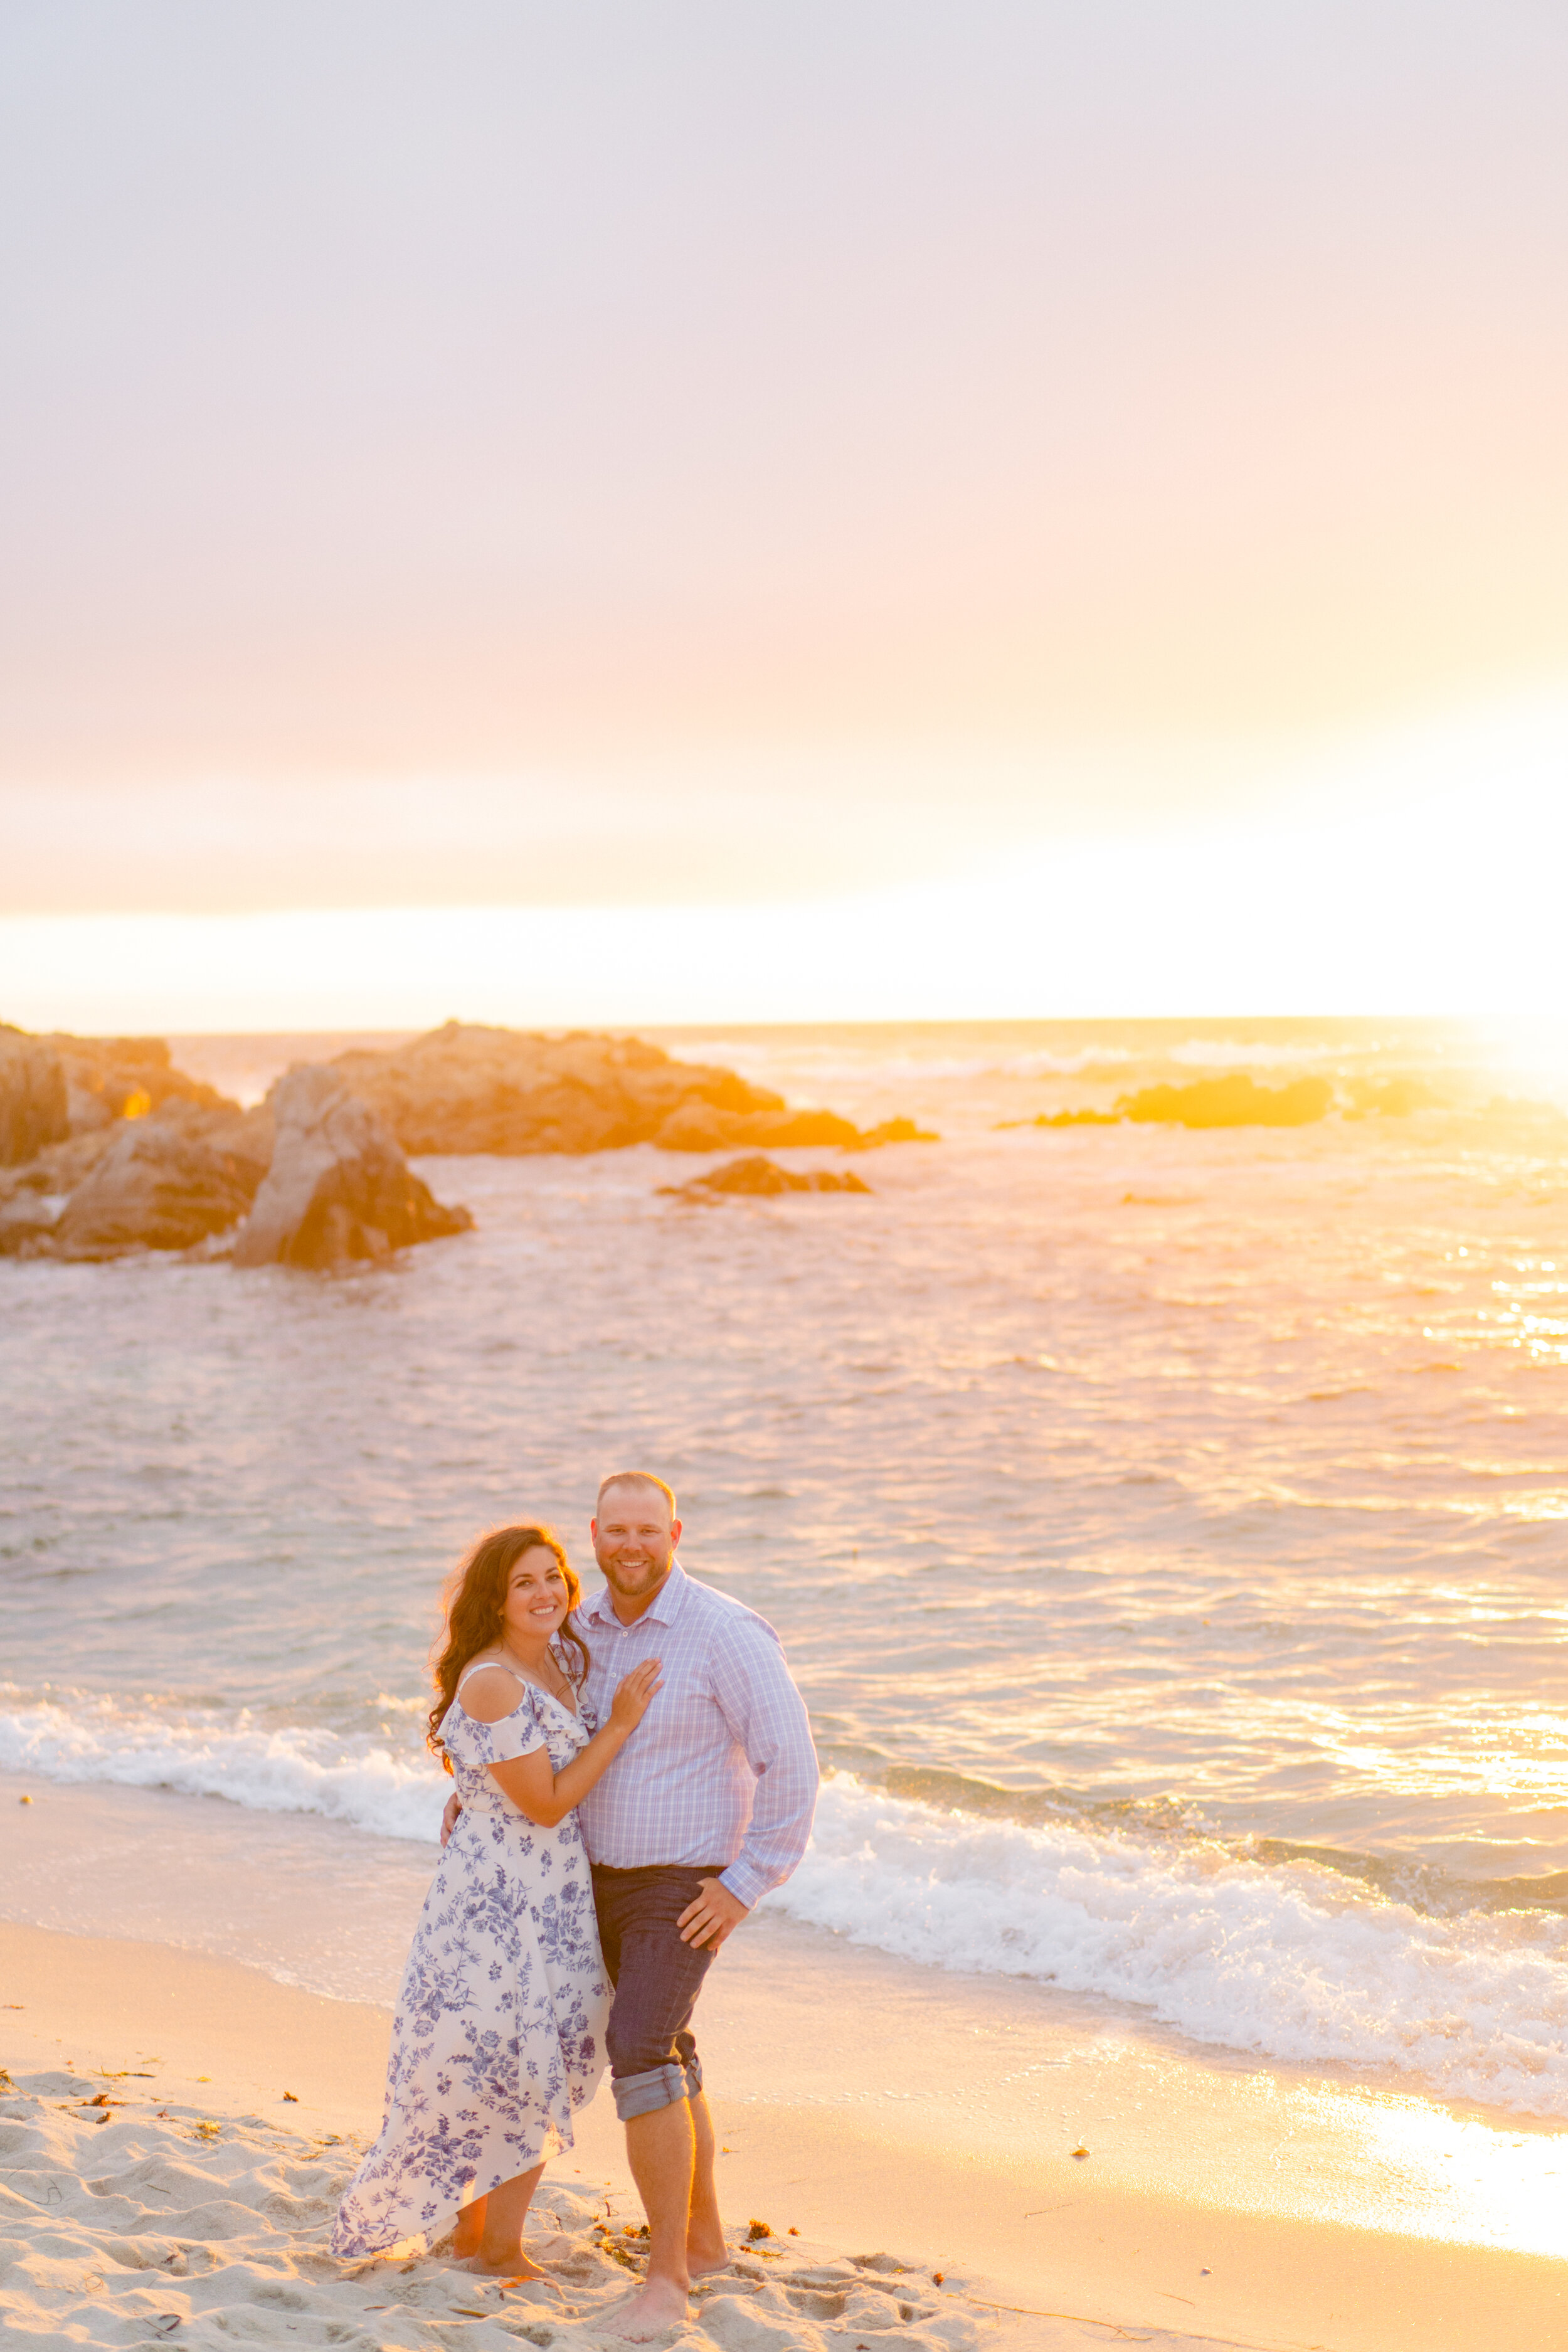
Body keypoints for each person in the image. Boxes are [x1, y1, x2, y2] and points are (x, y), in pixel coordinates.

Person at [443, 1471, 818, 2343]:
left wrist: (744, 1882)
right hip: (580, 1877)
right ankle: (708, 2240)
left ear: (675, 1532)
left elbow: (790, 1763)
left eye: (647, 1529)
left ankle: (668, 2277)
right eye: (615, 1530)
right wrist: (480, 1794)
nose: (630, 1545)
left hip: (678, 1884)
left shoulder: (723, 1631)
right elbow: (523, 1724)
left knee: (641, 2046)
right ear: (596, 1535)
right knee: (671, 2046)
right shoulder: (581, 1631)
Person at [332, 1523, 661, 2272]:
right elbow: (545, 1803)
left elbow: (501, 1779)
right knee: (515, 2066)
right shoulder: (493, 1680)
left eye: (554, 1576)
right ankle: (496, 2250)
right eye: (525, 1582)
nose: (546, 1592)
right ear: (496, 1598)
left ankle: (474, 2239)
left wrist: (470, 1794)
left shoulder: (553, 1661)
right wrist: (620, 1726)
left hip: (546, 1891)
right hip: (500, 1904)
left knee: (515, 2062)